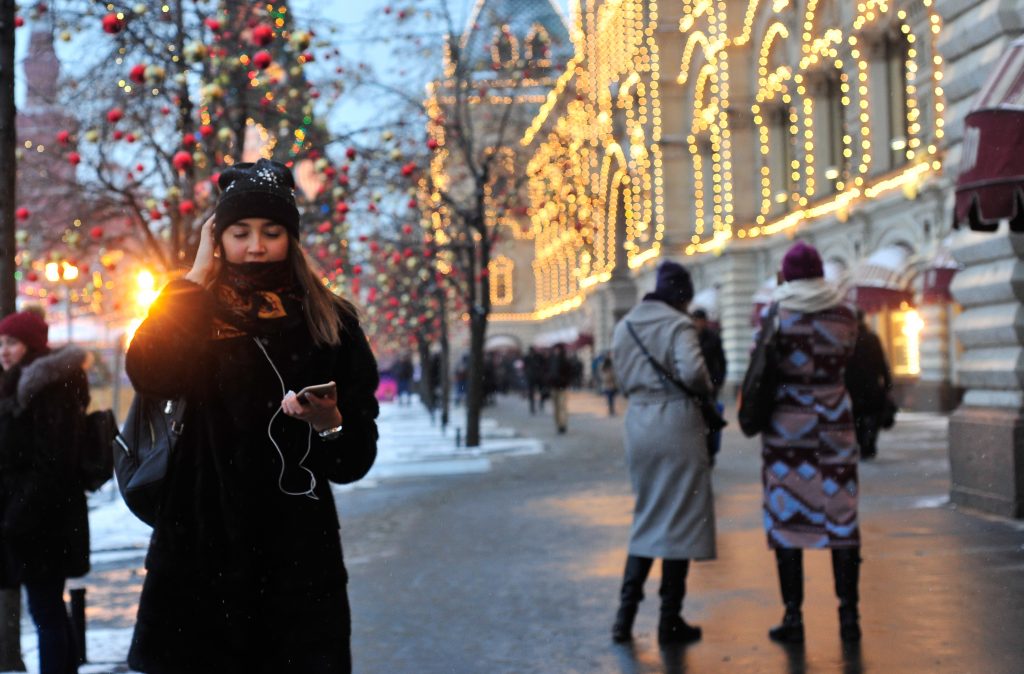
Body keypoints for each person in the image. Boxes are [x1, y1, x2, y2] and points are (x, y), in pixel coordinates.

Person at [124, 159, 379, 673]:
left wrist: (329, 423)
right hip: (198, 544)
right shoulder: (191, 310)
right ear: (217, 239)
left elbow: (353, 461)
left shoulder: (331, 321)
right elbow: (151, 373)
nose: (256, 246)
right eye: (239, 233)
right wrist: (193, 278)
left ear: (292, 238)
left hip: (296, 555)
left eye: (271, 232)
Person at [757, 241, 862, 644]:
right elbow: (848, 358)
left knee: (788, 523)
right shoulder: (844, 314)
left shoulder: (777, 314)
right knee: (842, 519)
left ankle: (793, 616)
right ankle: (849, 615)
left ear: (788, 274)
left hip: (787, 434)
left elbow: (761, 363)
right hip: (835, 426)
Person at [609, 261, 716, 645]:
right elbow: (693, 374)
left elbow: (619, 377)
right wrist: (705, 389)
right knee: (681, 519)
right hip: (677, 424)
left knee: (648, 514)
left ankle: (625, 616)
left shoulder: (625, 326)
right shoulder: (678, 325)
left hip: (639, 424)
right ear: (681, 295)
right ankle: (670, 619)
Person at [0, 309, 90, 674]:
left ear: (31, 345)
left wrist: (18, 515)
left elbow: (52, 459)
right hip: (34, 514)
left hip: (42, 518)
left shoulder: (46, 387)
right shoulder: (15, 383)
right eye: (1, 342)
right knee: (49, 607)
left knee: (45, 608)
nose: (4, 350)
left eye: (12, 342)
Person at [845, 310, 893, 460]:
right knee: (872, 416)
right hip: (871, 385)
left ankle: (862, 443)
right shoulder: (872, 338)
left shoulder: (848, 339)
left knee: (857, 417)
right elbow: (882, 363)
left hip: (853, 386)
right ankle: (870, 443)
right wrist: (887, 384)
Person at [691, 308, 727, 463]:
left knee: (711, 419)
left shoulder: (713, 338)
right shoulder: (688, 338)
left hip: (710, 386)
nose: (698, 324)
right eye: (695, 320)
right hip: (693, 387)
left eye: (700, 320)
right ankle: (697, 450)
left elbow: (722, 361)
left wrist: (718, 381)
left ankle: (711, 451)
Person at [546, 343, 572, 433]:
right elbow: (546, 371)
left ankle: (562, 425)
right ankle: (558, 424)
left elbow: (570, 373)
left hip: (562, 387)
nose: (556, 351)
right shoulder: (550, 360)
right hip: (553, 387)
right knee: (555, 407)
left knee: (562, 406)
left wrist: (566, 381)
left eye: (558, 349)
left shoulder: (564, 360)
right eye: (555, 349)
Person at [523, 347, 546, 414]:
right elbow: (525, 366)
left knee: (541, 391)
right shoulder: (527, 357)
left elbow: (543, 365)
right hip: (532, 378)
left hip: (538, 377)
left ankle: (540, 403)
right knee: (532, 392)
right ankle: (532, 407)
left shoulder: (538, 357)